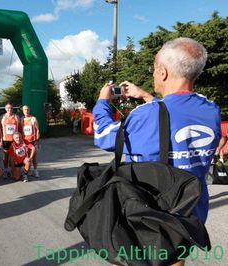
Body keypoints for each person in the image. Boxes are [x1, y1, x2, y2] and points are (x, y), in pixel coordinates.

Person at [93, 37, 220, 265]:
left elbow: (103, 136)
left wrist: (103, 101)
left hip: (151, 215)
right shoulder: (211, 110)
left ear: (162, 72)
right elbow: (173, 116)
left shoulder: (145, 115)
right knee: (175, 257)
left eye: (154, 69)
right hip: (190, 211)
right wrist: (145, 96)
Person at [0, 103, 21, 177]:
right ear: (5, 109)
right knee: (5, 156)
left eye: (11, 108)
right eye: (8, 108)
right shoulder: (2, 117)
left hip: (15, 140)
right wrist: (0, 140)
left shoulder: (16, 117)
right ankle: (6, 170)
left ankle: (14, 169)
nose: (10, 109)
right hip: (6, 140)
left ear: (13, 109)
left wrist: (20, 139)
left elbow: (19, 129)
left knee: (15, 155)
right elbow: (0, 129)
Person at [21, 105, 40, 178]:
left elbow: (37, 130)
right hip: (25, 141)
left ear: (29, 110)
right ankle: (27, 170)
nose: (26, 111)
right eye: (25, 110)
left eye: (27, 109)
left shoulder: (33, 119)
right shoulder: (22, 119)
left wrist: (37, 140)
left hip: (32, 140)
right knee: (26, 156)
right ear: (23, 111)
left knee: (34, 156)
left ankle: (35, 171)